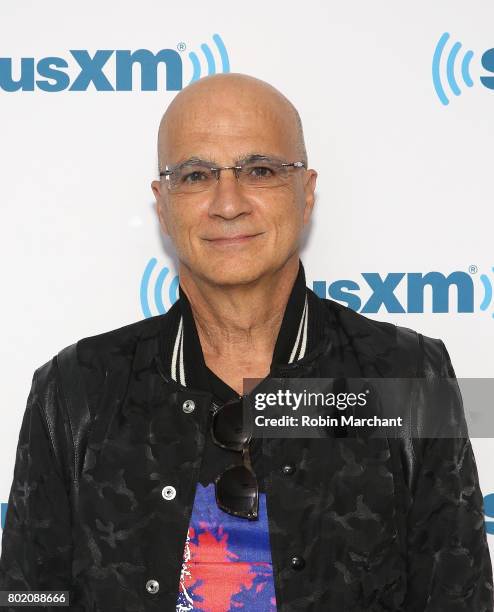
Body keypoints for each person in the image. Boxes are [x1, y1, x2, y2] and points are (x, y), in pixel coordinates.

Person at [0, 72, 492, 612]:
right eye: (194, 175)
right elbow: (28, 595)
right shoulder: (76, 390)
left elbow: (456, 597)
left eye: (259, 170)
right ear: (162, 205)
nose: (227, 203)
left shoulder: (407, 377)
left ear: (306, 193)